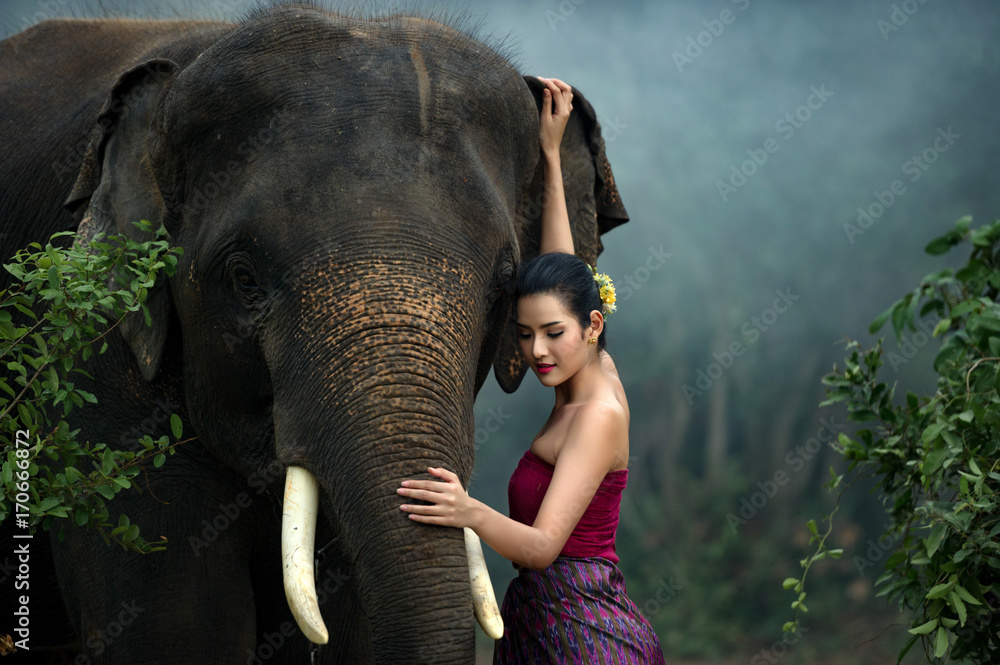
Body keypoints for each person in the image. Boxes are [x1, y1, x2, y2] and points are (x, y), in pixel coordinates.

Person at [397, 77, 665, 664]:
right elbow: (564, 269)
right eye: (524, 335)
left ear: (593, 326)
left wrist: (469, 511)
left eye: (553, 335)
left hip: (587, 633)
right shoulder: (592, 372)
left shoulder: (597, 413)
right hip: (543, 621)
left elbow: (544, 546)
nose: (537, 351)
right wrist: (550, 155)